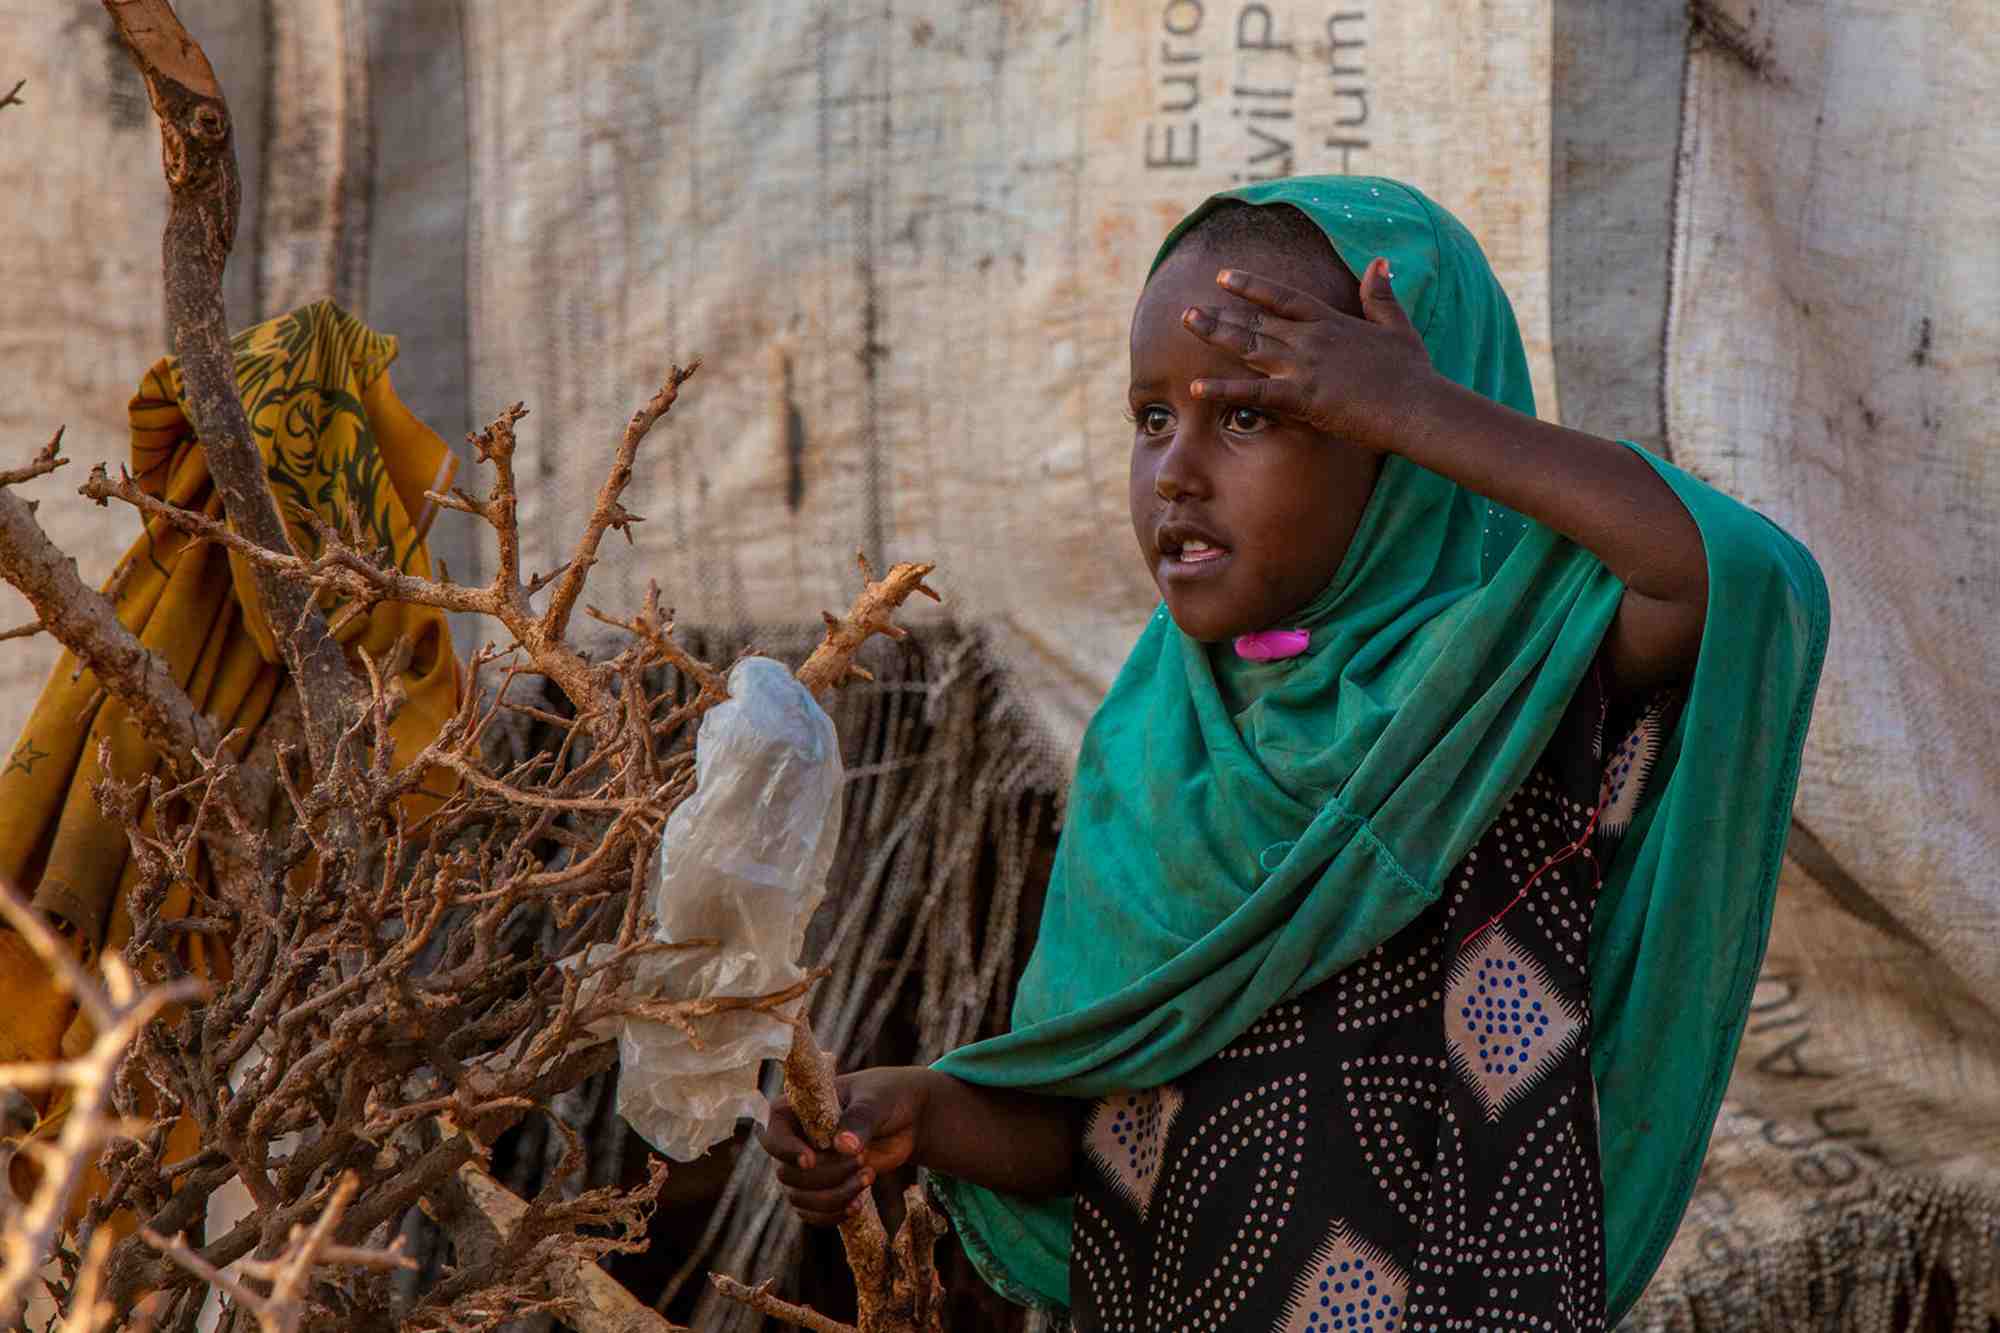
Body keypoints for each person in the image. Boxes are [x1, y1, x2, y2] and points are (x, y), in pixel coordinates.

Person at [757, 177, 1827, 1331]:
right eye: (1151, 417)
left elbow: (1738, 576)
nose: (1176, 470)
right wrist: (922, 1111)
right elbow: (1098, 1126)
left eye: (1251, 415)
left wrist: (1417, 410)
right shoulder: (1152, 748)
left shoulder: (1515, 679)